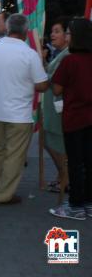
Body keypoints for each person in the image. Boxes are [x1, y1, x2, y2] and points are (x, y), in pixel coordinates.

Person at [0, 13, 48, 205]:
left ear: (8, 28)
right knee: (14, 156)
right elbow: (42, 85)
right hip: (19, 113)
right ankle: (4, 194)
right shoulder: (29, 54)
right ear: (25, 31)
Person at [49, 18, 92, 220]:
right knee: (90, 162)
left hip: (74, 118)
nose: (66, 36)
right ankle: (89, 203)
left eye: (68, 33)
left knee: (75, 163)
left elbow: (56, 88)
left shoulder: (70, 61)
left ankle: (75, 205)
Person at [42, 17, 71, 194]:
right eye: (52, 31)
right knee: (49, 141)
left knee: (57, 144)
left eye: (57, 31)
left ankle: (65, 178)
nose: (53, 35)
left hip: (58, 107)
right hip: (52, 106)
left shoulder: (67, 55)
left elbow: (54, 81)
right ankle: (62, 175)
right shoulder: (59, 54)